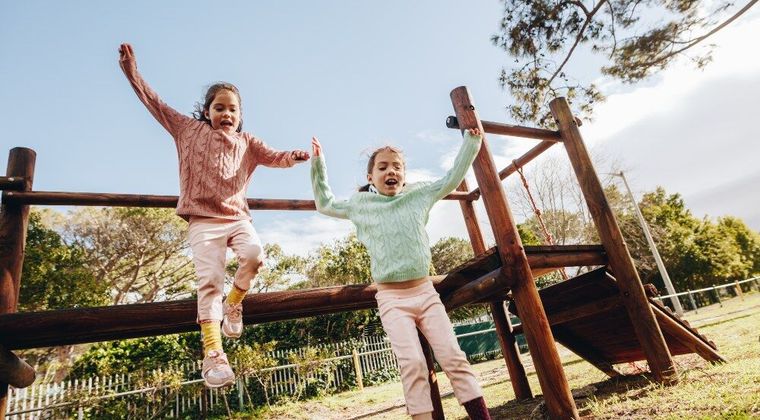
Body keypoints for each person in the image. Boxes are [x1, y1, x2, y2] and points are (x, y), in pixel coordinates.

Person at [118, 43, 309, 388]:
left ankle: (234, 304)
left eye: (232, 109)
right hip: (203, 221)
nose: (226, 113)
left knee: (254, 257)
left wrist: (292, 156)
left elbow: (274, 155)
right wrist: (132, 70)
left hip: (237, 218)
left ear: (240, 114)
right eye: (219, 107)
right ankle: (213, 355)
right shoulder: (187, 130)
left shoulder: (247, 142)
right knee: (209, 282)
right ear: (206, 112)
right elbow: (154, 103)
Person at [310, 129, 491, 419]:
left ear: (404, 175)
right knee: (413, 364)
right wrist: (318, 164)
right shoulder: (361, 204)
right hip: (392, 298)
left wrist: (472, 142)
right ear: (370, 178)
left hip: (426, 293)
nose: (390, 170)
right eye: (382, 167)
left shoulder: (418, 195)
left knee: (453, 357)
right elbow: (325, 204)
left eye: (397, 166)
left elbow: (451, 179)